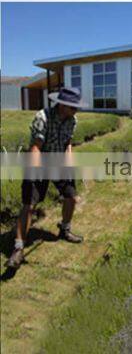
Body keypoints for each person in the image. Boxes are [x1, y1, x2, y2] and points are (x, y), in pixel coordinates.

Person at [6, 87, 87, 269]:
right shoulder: (42, 117)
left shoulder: (72, 120)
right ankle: (18, 248)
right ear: (62, 104)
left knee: (71, 198)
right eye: (73, 106)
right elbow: (36, 147)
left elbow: (68, 142)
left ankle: (64, 230)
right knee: (29, 205)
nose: (76, 110)